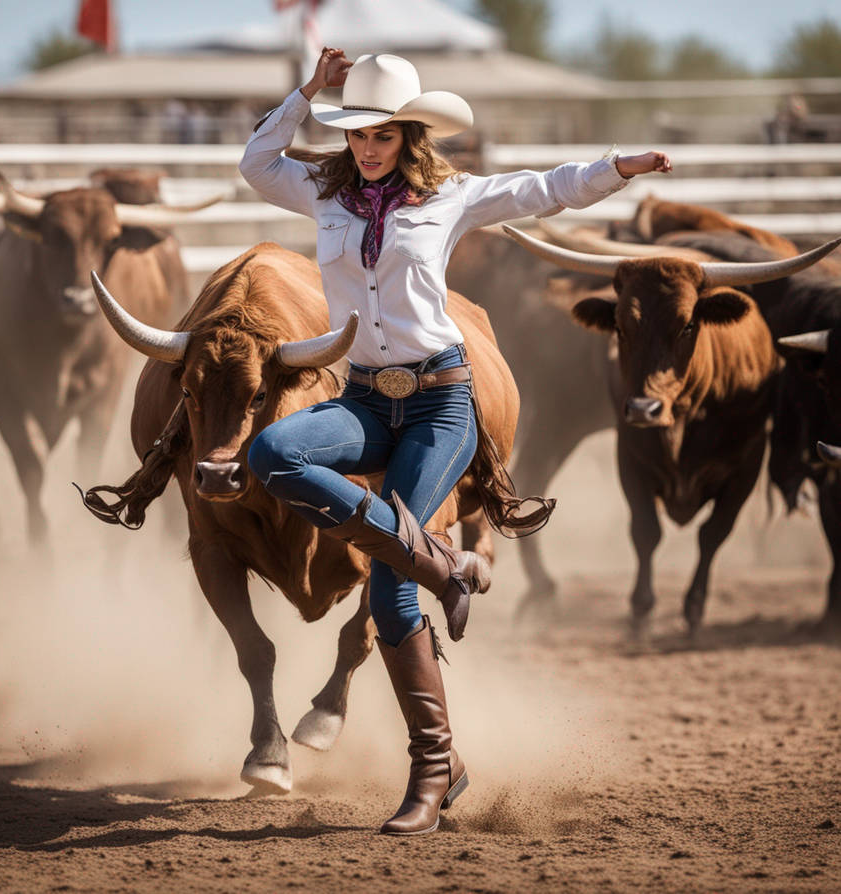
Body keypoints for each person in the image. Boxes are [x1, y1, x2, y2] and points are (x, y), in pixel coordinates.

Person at [239, 49, 671, 836]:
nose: (368, 147)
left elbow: (543, 191)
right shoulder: (321, 192)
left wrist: (620, 167)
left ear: (411, 134)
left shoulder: (449, 196)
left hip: (440, 403)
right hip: (365, 400)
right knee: (270, 455)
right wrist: (308, 90)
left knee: (386, 587)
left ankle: (435, 772)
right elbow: (257, 158)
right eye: (356, 132)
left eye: (384, 134)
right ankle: (448, 564)